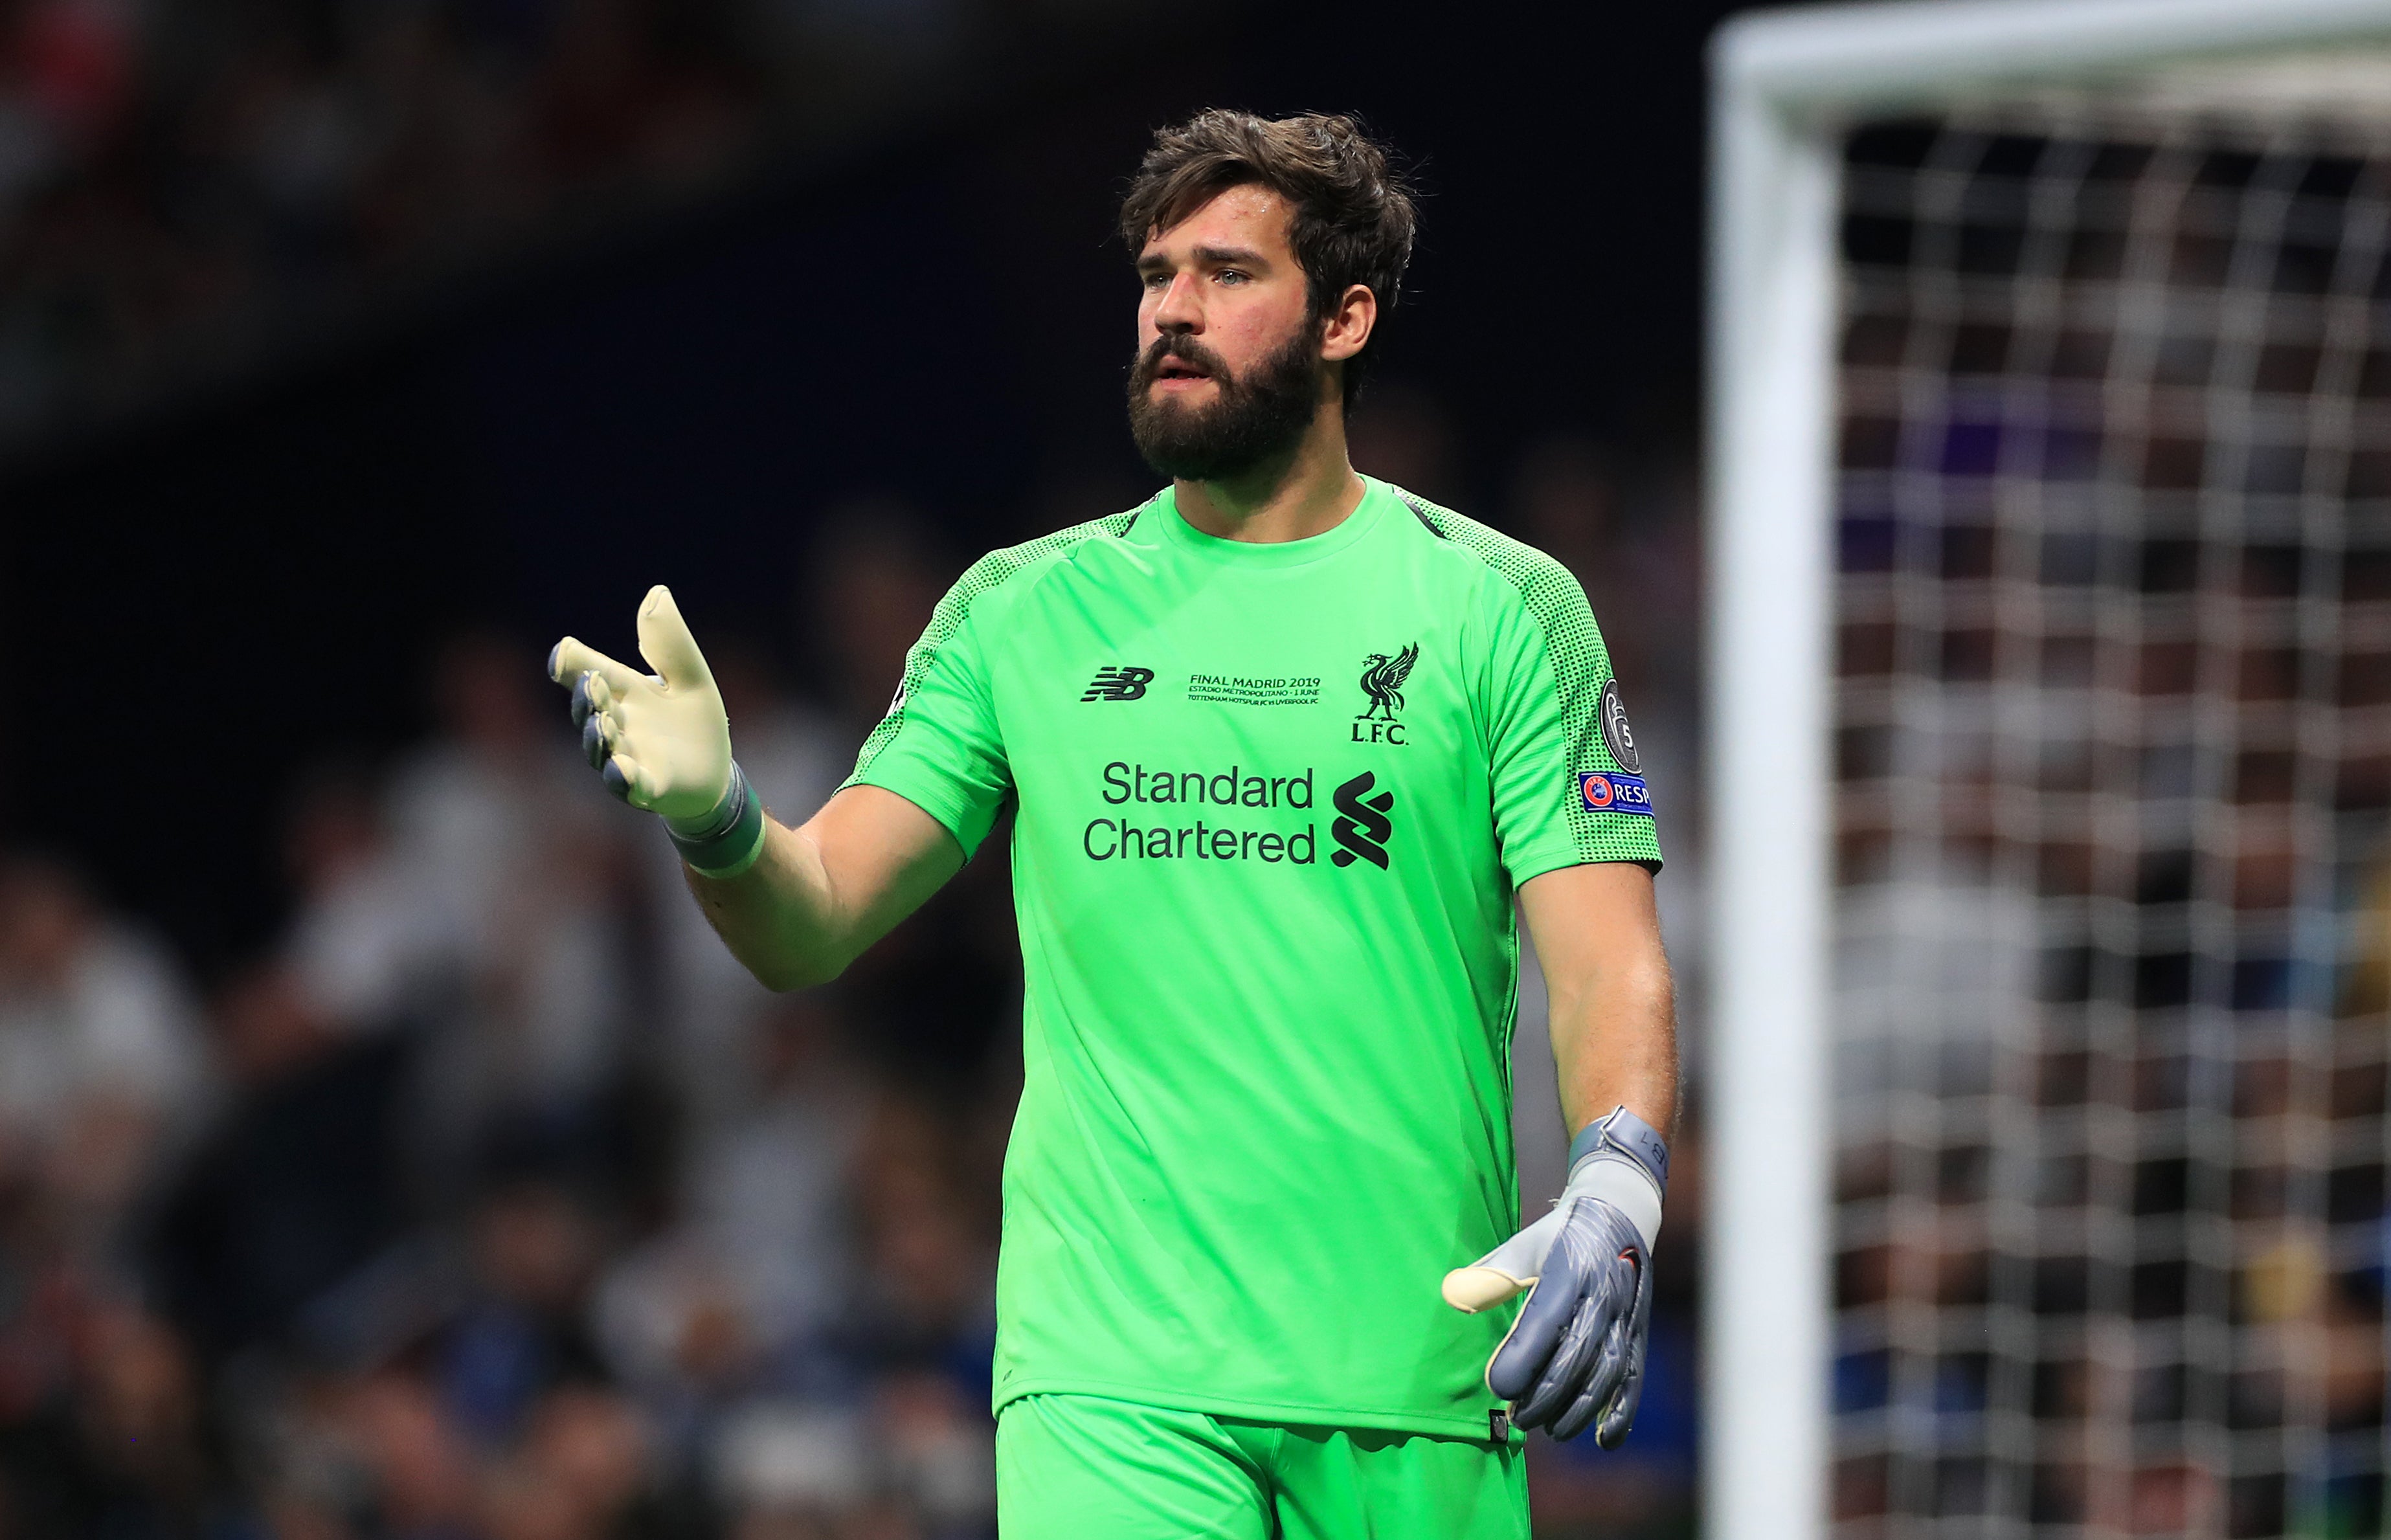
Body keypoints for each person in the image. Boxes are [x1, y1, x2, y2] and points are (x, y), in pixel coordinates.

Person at [547, 109, 1676, 1539]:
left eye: (1224, 274)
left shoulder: (1505, 608)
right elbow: (813, 911)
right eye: (1154, 277)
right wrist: (717, 818)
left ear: (1345, 317)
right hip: (1108, 1375)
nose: (1171, 311)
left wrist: (1617, 1177)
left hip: (1416, 1362)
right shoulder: (1019, 609)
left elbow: (1603, 959)